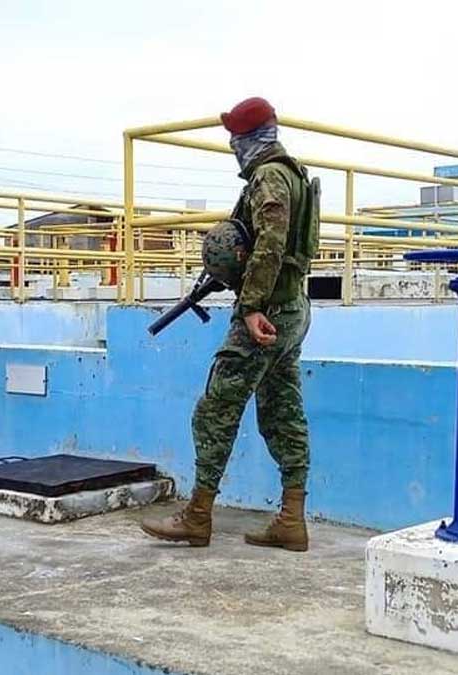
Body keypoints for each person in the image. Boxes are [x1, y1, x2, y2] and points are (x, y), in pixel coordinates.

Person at [141, 97, 316, 551]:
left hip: (268, 311)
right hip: (294, 308)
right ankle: (291, 519)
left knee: (215, 409)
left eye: (235, 138)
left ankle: (198, 515)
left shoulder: (268, 177)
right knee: (283, 411)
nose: (233, 146)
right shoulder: (294, 173)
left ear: (247, 139)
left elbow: (271, 241)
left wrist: (252, 304)